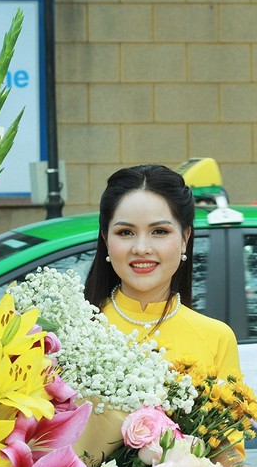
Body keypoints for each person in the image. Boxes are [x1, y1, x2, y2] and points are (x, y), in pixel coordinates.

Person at [84, 164, 241, 382]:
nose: (141, 248)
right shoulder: (74, 331)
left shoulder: (217, 338)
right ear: (105, 239)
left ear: (185, 238)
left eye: (159, 231)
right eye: (126, 232)